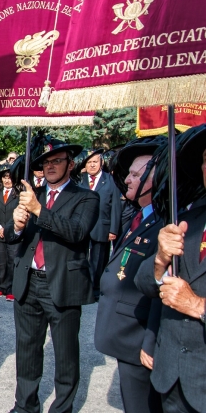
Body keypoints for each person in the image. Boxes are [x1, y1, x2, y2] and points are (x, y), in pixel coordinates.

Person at [5, 136, 99, 413]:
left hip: (63, 284)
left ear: (70, 164)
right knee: (27, 350)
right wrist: (18, 226)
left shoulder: (86, 197)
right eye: (45, 163)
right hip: (28, 282)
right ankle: (25, 405)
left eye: (57, 161)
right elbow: (11, 237)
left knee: (66, 354)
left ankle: (62, 408)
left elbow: (77, 232)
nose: (50, 166)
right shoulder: (34, 195)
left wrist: (38, 210)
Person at [135, 125, 206, 413]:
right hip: (171, 376)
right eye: (204, 158)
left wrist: (199, 306)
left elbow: (190, 301)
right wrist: (160, 260)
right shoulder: (187, 217)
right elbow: (145, 284)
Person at [94, 138, 165, 413]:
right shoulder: (140, 216)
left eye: (136, 174)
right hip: (126, 337)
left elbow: (162, 287)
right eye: (129, 173)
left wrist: (150, 341)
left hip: (139, 338)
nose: (129, 179)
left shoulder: (163, 222)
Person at [79, 149, 122, 300]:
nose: (92, 165)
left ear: (101, 163)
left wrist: (113, 229)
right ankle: (83, 287)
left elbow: (116, 206)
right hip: (82, 227)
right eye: (89, 162)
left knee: (98, 260)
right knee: (82, 257)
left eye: (95, 162)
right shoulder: (80, 180)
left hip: (101, 227)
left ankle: (95, 289)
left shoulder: (110, 180)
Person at [0, 165, 19, 302]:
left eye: (10, 177)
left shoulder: (18, 194)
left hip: (13, 232)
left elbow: (19, 214)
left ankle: (11, 289)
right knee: (1, 262)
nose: (7, 180)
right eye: (5, 177)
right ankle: (1, 287)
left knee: (12, 261)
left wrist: (8, 228)